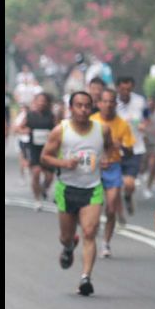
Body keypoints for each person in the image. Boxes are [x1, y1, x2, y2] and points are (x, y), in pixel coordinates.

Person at [41, 91, 113, 296]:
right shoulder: (60, 130)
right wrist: (63, 163)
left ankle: (85, 278)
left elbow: (109, 148)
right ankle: (69, 246)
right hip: (66, 188)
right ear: (71, 108)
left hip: (92, 188)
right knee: (65, 236)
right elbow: (45, 157)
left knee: (90, 232)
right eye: (79, 105)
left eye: (87, 106)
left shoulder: (102, 129)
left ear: (92, 108)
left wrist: (106, 158)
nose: (83, 109)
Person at [91, 88, 135, 258]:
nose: (108, 104)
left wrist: (121, 146)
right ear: (99, 103)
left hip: (113, 167)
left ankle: (106, 243)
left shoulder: (122, 124)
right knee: (92, 209)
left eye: (112, 101)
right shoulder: (91, 121)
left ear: (116, 104)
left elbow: (130, 152)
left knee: (111, 208)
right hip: (94, 168)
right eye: (105, 101)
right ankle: (90, 231)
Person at [18, 92, 58, 210]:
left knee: (49, 177)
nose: (41, 103)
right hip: (34, 148)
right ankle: (37, 199)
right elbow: (19, 127)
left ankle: (44, 189)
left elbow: (57, 128)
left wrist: (53, 134)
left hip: (48, 149)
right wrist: (25, 130)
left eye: (44, 100)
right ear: (35, 102)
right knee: (36, 172)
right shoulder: (30, 115)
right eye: (39, 100)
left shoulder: (51, 115)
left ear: (47, 103)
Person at [116, 76, 149, 216]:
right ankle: (116, 212)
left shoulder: (140, 101)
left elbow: (147, 118)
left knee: (129, 183)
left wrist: (144, 125)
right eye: (122, 89)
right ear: (118, 88)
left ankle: (128, 196)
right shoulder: (112, 103)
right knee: (115, 186)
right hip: (116, 149)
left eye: (128, 89)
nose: (125, 92)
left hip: (135, 147)